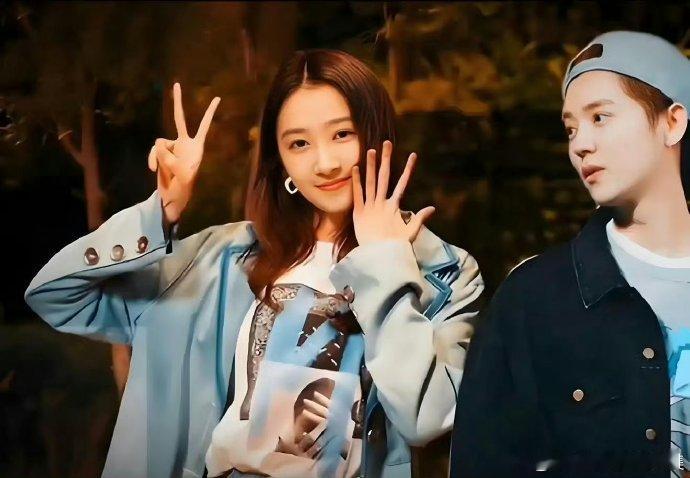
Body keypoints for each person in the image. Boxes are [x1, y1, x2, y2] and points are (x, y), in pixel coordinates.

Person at [25, 49, 484, 478]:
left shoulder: (444, 272)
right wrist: (161, 211)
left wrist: (384, 262)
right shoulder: (221, 259)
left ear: (377, 133)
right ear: (280, 161)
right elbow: (58, 296)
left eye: (342, 134)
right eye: (299, 144)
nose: (325, 163)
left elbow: (428, 419)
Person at [450, 31, 690, 478]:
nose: (580, 144)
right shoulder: (532, 299)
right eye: (571, 129)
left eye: (600, 117)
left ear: (672, 122)